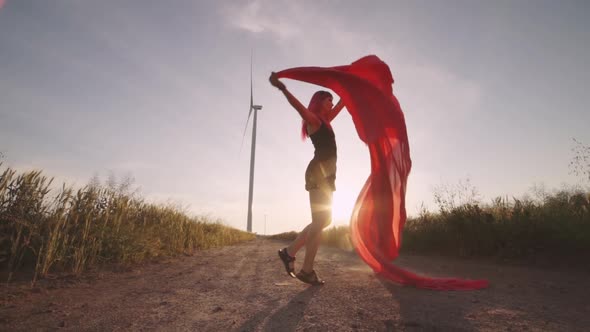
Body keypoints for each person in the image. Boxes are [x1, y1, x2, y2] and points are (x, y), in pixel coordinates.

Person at [269, 72, 345, 285]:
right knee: (320, 221)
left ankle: (289, 252)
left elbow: (343, 103)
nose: (331, 103)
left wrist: (348, 88)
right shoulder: (314, 119)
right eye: (328, 99)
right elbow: (298, 107)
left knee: (324, 220)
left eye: (332, 100)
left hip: (328, 175)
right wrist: (282, 88)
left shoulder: (327, 121)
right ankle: (306, 270)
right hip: (317, 174)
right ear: (319, 102)